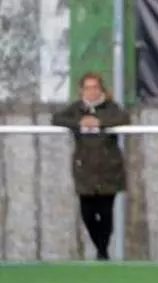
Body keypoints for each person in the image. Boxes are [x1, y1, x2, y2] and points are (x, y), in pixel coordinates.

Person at [52, 72, 130, 261]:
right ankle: (101, 249)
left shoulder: (111, 107)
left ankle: (102, 253)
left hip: (108, 169)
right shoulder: (76, 108)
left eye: (95, 87)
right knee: (87, 213)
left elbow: (124, 119)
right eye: (87, 88)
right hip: (84, 169)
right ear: (81, 90)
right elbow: (56, 118)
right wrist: (79, 123)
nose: (91, 91)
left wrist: (100, 123)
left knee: (105, 212)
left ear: (101, 89)